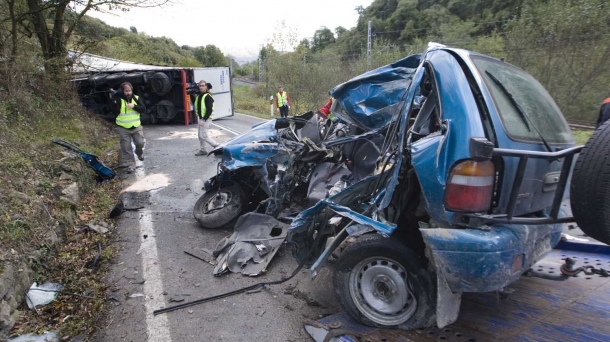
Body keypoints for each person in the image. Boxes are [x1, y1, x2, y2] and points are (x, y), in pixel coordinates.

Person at [111, 82, 146, 170]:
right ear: (123, 91)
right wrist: (114, 101)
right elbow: (114, 112)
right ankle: (131, 165)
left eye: (130, 90)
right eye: (126, 91)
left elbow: (143, 109)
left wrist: (134, 106)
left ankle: (139, 153)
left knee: (140, 143)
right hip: (123, 128)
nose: (128, 92)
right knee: (126, 148)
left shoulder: (136, 98)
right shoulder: (119, 99)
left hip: (136, 127)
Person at [194, 80, 219, 156]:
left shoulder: (207, 97)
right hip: (201, 118)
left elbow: (209, 110)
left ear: (206, 87)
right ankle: (203, 150)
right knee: (200, 135)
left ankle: (217, 146)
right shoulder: (199, 96)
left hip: (206, 118)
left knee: (203, 135)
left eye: (203, 86)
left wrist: (204, 119)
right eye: (200, 86)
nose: (201, 87)